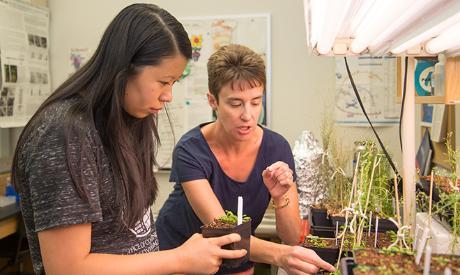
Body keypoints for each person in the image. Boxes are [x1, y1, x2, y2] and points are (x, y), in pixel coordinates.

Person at [11, 4, 246, 275]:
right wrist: (179, 259)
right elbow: (68, 268)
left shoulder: (130, 117)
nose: (168, 96)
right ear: (125, 68)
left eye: (174, 83)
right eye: (163, 81)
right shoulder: (65, 133)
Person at [156, 44, 335, 274]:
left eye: (255, 101)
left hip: (239, 254)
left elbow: (290, 237)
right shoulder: (191, 150)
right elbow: (223, 231)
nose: (247, 115)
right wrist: (279, 255)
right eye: (235, 103)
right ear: (213, 101)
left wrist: (281, 197)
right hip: (181, 256)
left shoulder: (276, 148)